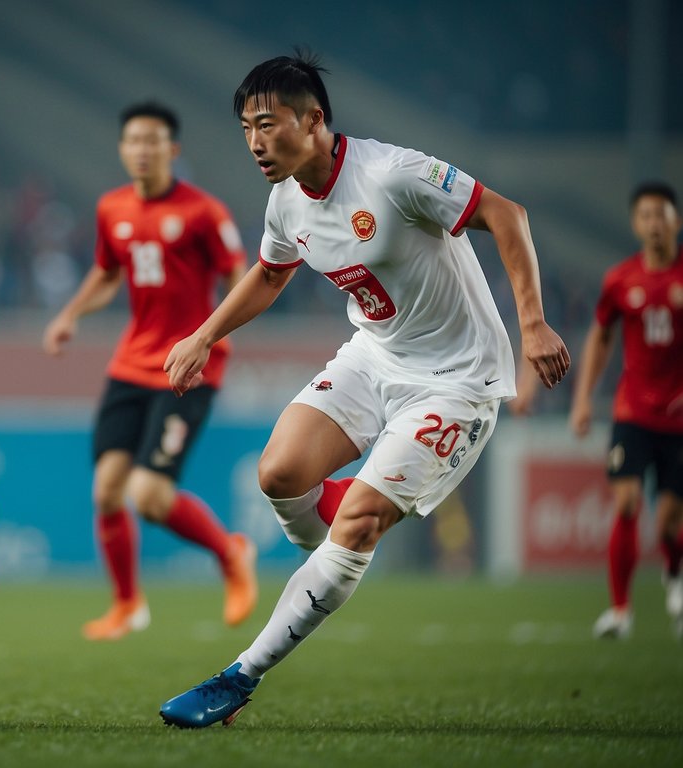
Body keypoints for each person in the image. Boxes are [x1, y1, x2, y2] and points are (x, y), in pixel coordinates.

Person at [156, 52, 570, 727]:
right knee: (280, 472)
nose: (256, 141)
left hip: (457, 381)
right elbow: (269, 274)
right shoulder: (286, 198)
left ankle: (237, 678)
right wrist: (203, 335)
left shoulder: (393, 174)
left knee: (356, 525)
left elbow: (507, 215)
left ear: (314, 120)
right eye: (245, 129)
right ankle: (343, 538)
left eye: (269, 124)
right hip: (375, 357)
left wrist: (533, 325)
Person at [43, 102, 257, 640]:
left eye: (153, 140)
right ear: (122, 148)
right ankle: (127, 605)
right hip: (131, 364)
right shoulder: (111, 207)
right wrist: (70, 314)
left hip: (188, 368)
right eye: (133, 140)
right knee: (107, 491)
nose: (142, 149)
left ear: (172, 149)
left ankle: (230, 552)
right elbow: (107, 272)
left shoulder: (204, 212)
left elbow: (241, 277)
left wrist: (212, 339)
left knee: (150, 496)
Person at [517, 182, 682, 640]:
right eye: (645, 215)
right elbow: (602, 337)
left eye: (661, 215)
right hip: (634, 411)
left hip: (680, 420)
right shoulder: (621, 279)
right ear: (636, 223)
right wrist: (584, 398)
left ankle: (673, 570)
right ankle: (621, 610)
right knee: (626, 503)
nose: (653, 224)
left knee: (670, 520)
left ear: (676, 222)